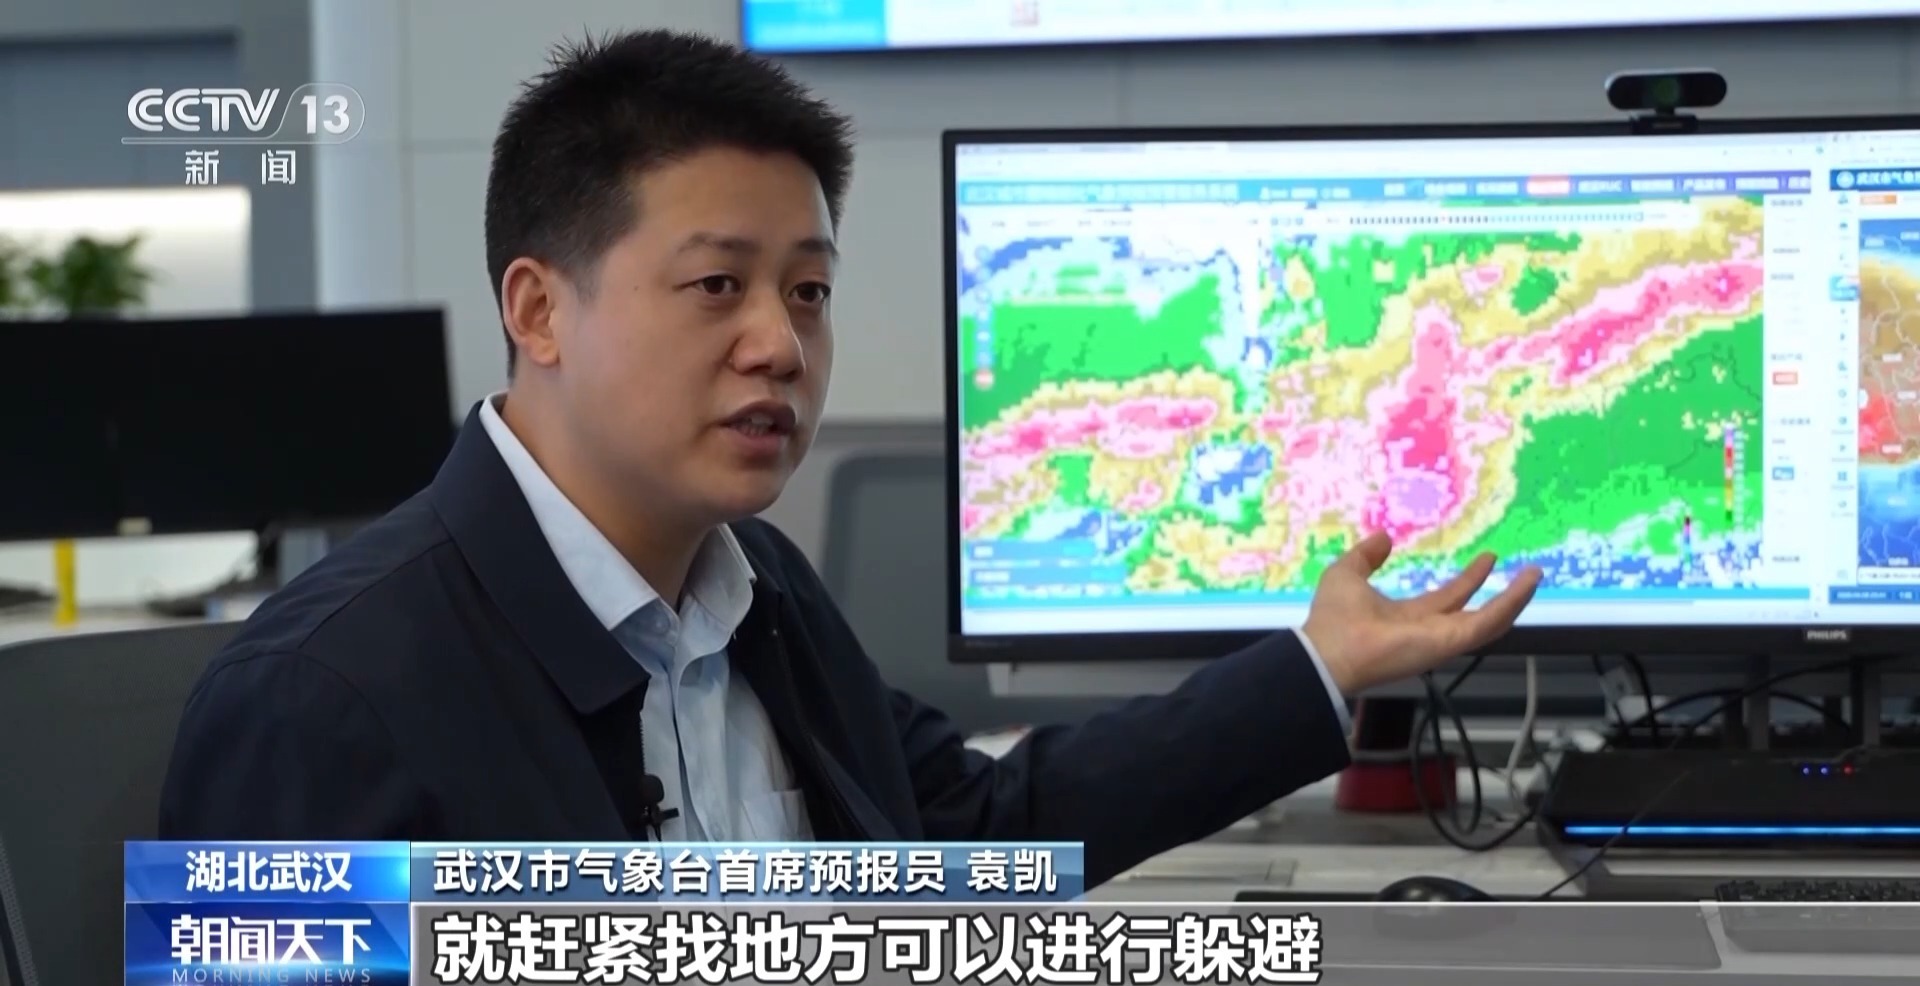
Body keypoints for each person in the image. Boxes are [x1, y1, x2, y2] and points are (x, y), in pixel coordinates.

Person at [158, 30, 1540, 887]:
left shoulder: (755, 588)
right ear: (539, 310)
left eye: (809, 291)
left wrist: (1316, 666)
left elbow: (978, 828)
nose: (780, 343)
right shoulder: (323, 698)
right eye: (718, 285)